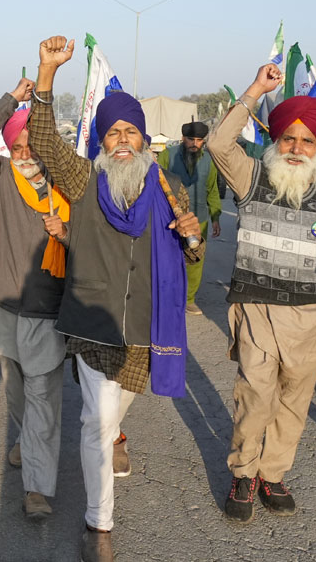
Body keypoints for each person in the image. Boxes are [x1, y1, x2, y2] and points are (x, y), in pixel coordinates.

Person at [28, 37, 203, 562]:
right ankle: (98, 524)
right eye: (113, 133)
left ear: (145, 139)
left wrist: (192, 238)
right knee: (95, 423)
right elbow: (42, 138)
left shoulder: (168, 186)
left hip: (148, 331)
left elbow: (190, 257)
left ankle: (112, 448)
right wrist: (46, 71)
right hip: (94, 326)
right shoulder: (84, 180)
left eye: (130, 131)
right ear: (101, 141)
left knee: (109, 420)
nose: (121, 140)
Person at [209, 64, 316, 524]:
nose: (296, 149)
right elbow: (219, 143)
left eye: (307, 141)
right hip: (257, 310)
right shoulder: (251, 177)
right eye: (288, 139)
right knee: (255, 397)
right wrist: (256, 89)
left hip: (312, 315)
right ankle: (243, 472)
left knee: (294, 401)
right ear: (276, 141)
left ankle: (273, 473)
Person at [0, 81, 68, 520]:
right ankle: (27, 440)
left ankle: (38, 488)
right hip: (4, 301)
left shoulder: (66, 186)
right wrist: (12, 99)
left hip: (49, 308)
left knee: (43, 392)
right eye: (17, 145)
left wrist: (68, 233)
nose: (24, 153)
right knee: (18, 391)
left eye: (31, 145)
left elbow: (87, 239)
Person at [157, 121, 222, 315]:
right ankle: (165, 296)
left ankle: (188, 299)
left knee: (195, 259)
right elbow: (156, 181)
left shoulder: (210, 161)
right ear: (183, 138)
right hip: (170, 219)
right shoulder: (167, 155)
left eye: (199, 140)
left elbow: (212, 190)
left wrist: (216, 217)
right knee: (167, 258)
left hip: (198, 217)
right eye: (191, 139)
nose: (195, 143)